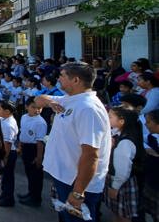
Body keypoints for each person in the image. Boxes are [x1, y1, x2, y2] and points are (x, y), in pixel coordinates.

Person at [35, 62, 111, 222]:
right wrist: (50, 102)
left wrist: (78, 192)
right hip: (64, 178)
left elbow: (91, 155)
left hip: (78, 184)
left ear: (75, 80)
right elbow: (38, 99)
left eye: (62, 76)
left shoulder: (88, 108)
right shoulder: (70, 99)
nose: (58, 79)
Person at [103, 107, 144, 222]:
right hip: (116, 180)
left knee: (123, 216)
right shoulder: (116, 135)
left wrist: (115, 187)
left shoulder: (125, 142)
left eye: (110, 116)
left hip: (120, 183)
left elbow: (122, 169)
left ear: (122, 121)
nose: (107, 118)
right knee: (117, 212)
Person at [18, 97, 47, 207]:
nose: (37, 110)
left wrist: (39, 157)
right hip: (26, 147)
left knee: (36, 175)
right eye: (33, 107)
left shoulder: (40, 122)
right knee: (29, 173)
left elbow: (40, 142)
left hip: (34, 149)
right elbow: (22, 132)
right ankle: (30, 193)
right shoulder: (24, 117)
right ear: (26, 107)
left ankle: (36, 198)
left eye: (39, 108)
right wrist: (20, 146)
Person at [0, 100, 19, 207]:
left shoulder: (8, 124)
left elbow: (7, 144)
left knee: (8, 177)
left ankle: (8, 199)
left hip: (8, 153)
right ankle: (5, 195)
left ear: (7, 111)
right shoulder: (4, 119)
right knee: (6, 177)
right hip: (6, 152)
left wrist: (4, 158)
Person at [143, 109, 159, 221]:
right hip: (152, 184)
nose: (146, 124)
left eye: (148, 122)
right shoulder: (151, 137)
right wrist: (147, 148)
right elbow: (139, 139)